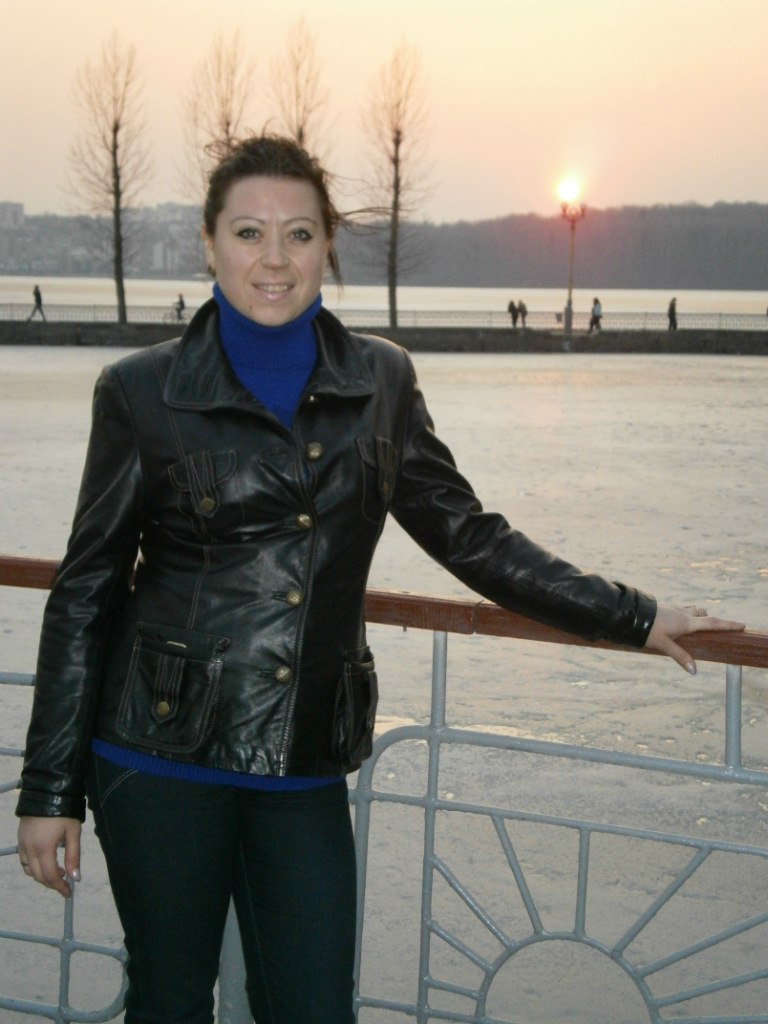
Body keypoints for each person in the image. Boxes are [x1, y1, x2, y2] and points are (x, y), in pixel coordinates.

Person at [15, 134, 745, 1024]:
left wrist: (629, 615)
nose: (274, 259)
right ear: (208, 243)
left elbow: (468, 536)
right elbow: (86, 591)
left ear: (328, 246)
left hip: (303, 754)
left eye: (299, 234)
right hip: (156, 750)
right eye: (248, 233)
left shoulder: (381, 380)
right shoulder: (140, 390)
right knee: (170, 1001)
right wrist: (48, 791)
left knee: (315, 1006)